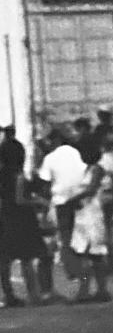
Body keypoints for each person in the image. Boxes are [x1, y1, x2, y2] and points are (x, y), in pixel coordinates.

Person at [0, 125, 46, 306]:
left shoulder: (2, 175)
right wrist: (38, 202)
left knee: (5, 260)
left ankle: (8, 295)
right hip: (21, 218)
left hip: (4, 217)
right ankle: (34, 295)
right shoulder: (18, 176)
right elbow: (20, 199)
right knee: (27, 259)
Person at [36, 126, 86, 279]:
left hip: (61, 202)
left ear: (56, 140)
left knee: (65, 239)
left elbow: (44, 182)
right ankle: (82, 269)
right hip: (79, 200)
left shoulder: (50, 158)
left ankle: (73, 271)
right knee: (79, 237)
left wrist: (44, 208)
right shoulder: (75, 153)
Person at [69, 139, 112, 303]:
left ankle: (101, 289)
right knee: (82, 253)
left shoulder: (97, 169)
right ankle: (85, 289)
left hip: (93, 213)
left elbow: (91, 189)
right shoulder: (85, 169)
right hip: (82, 213)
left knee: (96, 253)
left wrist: (73, 199)